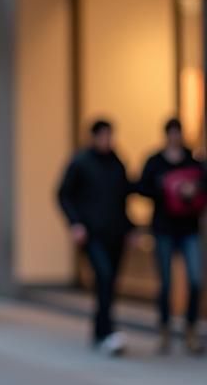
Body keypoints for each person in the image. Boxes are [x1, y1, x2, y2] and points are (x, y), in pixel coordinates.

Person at [57, 119, 134, 355]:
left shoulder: (117, 163)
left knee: (110, 282)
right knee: (104, 275)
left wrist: (130, 228)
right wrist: (75, 224)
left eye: (110, 136)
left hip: (116, 233)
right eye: (103, 136)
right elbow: (63, 194)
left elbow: (123, 198)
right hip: (92, 233)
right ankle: (107, 331)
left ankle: (101, 330)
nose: (107, 140)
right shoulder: (80, 162)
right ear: (93, 137)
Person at [136, 118, 205, 355]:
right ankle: (164, 329)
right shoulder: (155, 162)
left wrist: (193, 190)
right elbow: (140, 187)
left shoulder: (193, 162)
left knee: (196, 280)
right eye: (172, 133)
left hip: (189, 229)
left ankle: (190, 329)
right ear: (166, 135)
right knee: (165, 283)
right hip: (164, 229)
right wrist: (163, 187)